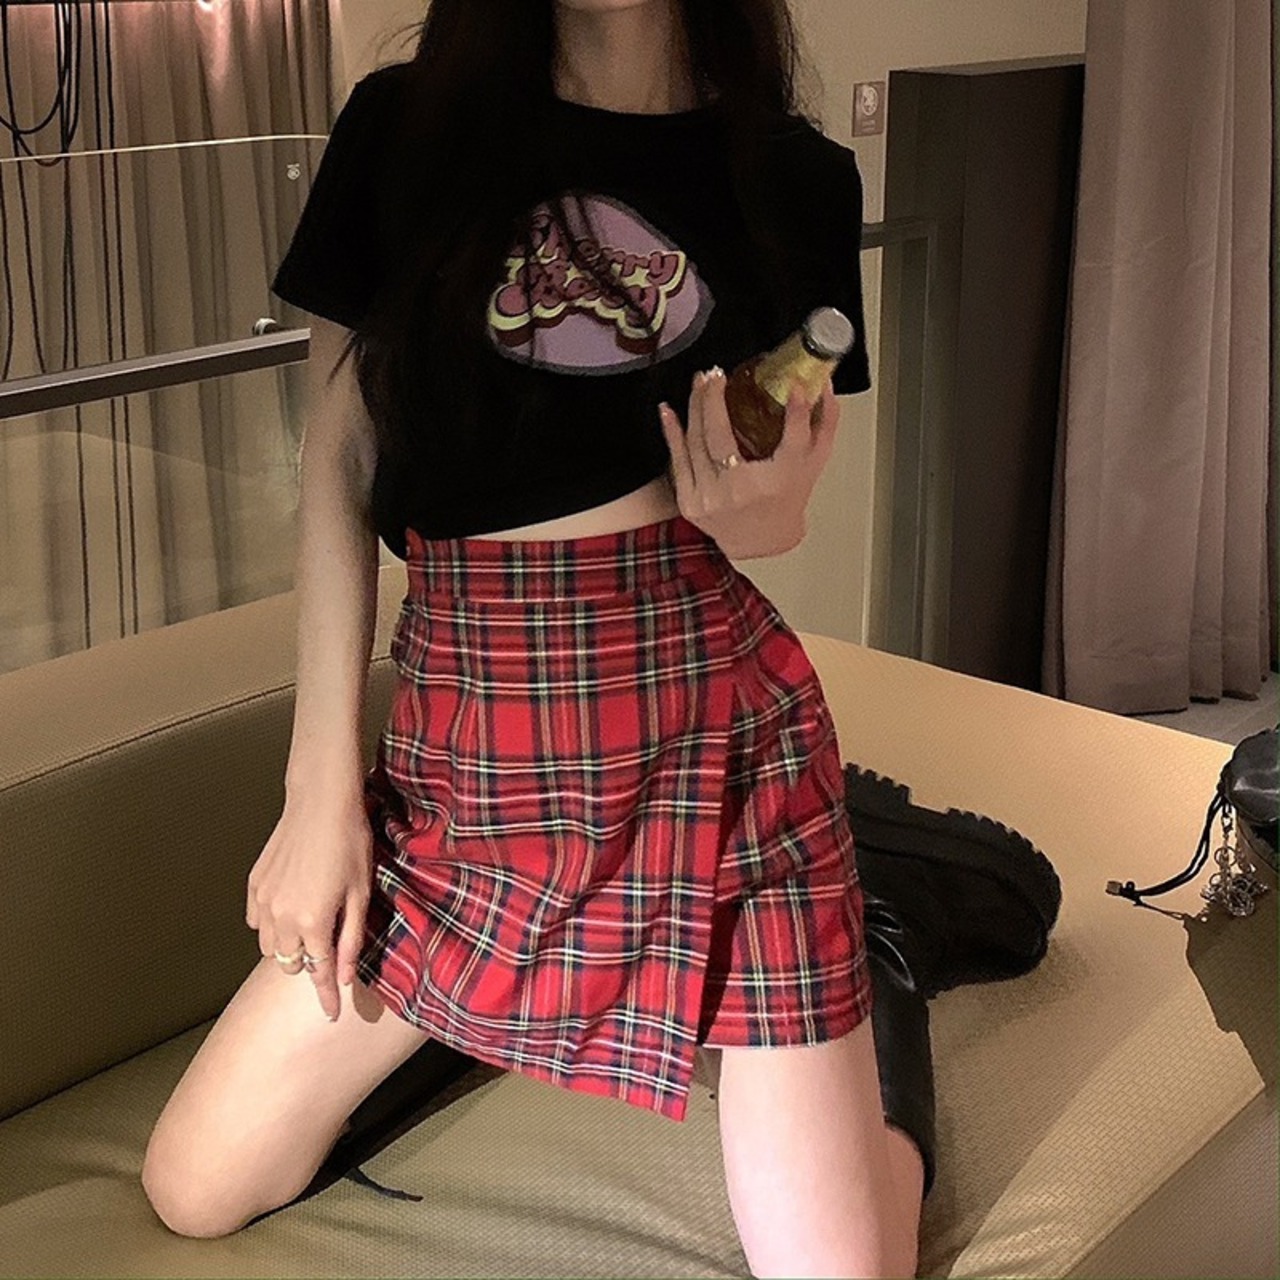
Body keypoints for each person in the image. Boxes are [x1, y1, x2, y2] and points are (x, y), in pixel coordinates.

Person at [138, 2, 1054, 1275]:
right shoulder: (405, 130)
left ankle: (880, 937)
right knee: (193, 1184)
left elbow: (770, 491)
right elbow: (340, 454)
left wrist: (768, 513)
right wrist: (317, 792)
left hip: (712, 743)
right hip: (470, 757)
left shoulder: (790, 176)